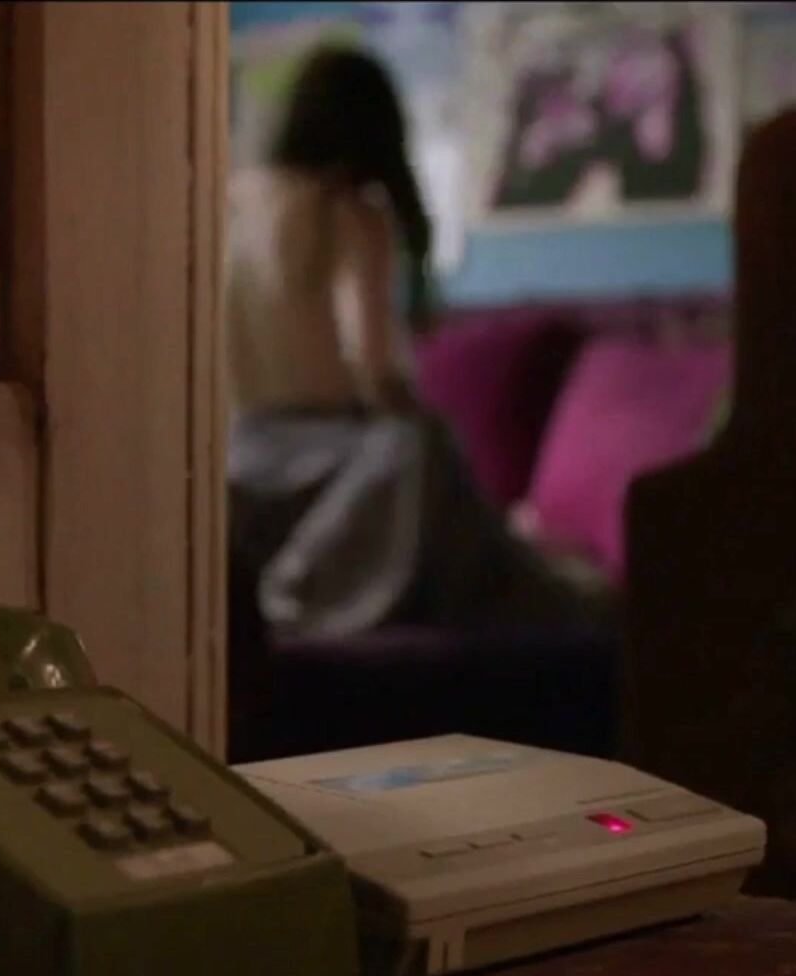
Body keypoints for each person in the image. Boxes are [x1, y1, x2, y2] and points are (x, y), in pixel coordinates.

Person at [224, 45, 607, 640]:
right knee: (420, 446)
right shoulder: (346, 213)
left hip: (241, 466)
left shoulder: (227, 205)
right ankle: (556, 595)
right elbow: (374, 366)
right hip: (337, 478)